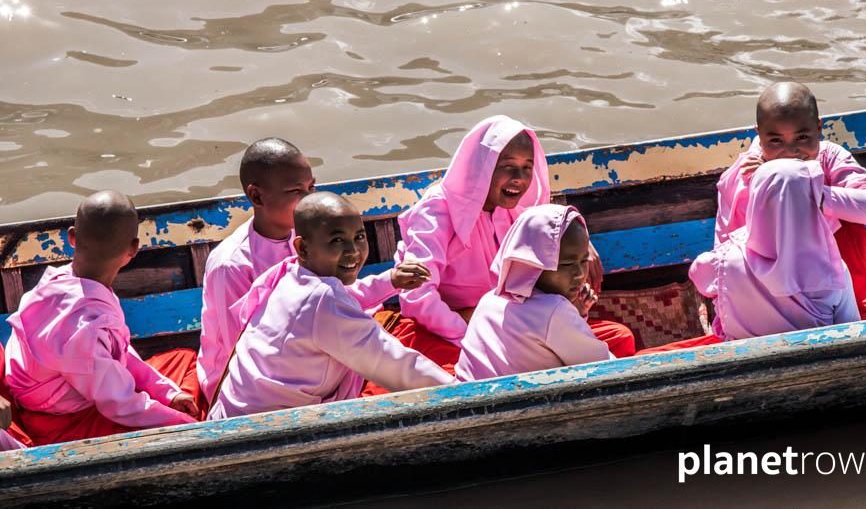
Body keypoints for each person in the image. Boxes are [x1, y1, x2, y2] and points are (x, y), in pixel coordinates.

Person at [391, 116, 635, 368]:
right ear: (481, 166)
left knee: (618, 338)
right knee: (450, 379)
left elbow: (547, 234)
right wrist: (470, 331)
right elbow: (416, 295)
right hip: (448, 330)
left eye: (527, 167)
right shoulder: (436, 210)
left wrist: (579, 244)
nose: (519, 178)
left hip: (515, 323)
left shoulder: (518, 208)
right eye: (508, 166)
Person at [206, 193, 454, 420]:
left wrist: (390, 280)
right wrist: (462, 392)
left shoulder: (289, 274)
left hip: (230, 413)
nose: (353, 251)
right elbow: (393, 364)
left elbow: (345, 297)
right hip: (261, 432)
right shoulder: (323, 300)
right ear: (302, 247)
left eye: (359, 237)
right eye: (337, 240)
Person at [4, 191, 199, 445]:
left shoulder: (56, 281)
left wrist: (166, 393)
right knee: (191, 407)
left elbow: (118, 351)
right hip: (61, 423)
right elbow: (118, 404)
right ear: (133, 249)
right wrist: (189, 426)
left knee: (184, 363)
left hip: (52, 393)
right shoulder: (86, 327)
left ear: (72, 237)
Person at [715, 82, 866, 319]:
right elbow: (729, 248)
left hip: (831, 274)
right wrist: (771, 185)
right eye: (776, 141)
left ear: (818, 128)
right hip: (764, 292)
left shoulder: (829, 156)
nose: (791, 152)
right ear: (759, 134)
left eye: (802, 137)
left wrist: (811, 192)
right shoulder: (744, 174)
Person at [196, 138, 315, 405]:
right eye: (297, 191)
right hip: (245, 377)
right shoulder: (232, 265)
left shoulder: (310, 233)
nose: (310, 200)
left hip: (303, 349)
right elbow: (238, 350)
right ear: (256, 196)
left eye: (312, 187)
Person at [693, 160, 860, 340]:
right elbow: (853, 331)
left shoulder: (721, 260)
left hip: (745, 364)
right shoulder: (832, 269)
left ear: (756, 200)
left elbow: (699, 275)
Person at [456, 205, 619, 380]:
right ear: (533, 263)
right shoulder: (554, 310)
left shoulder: (489, 300)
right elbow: (608, 371)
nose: (580, 273)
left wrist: (576, 314)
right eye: (566, 264)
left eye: (584, 260)